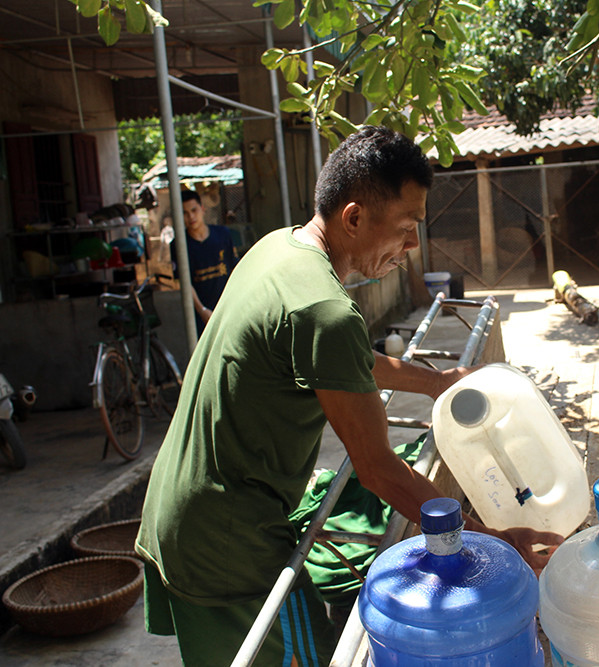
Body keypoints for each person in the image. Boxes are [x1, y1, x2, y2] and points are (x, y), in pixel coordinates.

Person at [136, 126, 563, 667]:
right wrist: (489, 544)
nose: (412, 246)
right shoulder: (326, 311)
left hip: (183, 511)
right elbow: (378, 470)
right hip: (229, 541)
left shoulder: (279, 248)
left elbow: (345, 365)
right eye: (406, 229)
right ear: (355, 217)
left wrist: (434, 381)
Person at [172, 189, 239, 334]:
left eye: (194, 210)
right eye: (184, 213)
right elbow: (184, 283)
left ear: (202, 209)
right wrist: (202, 310)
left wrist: (235, 302)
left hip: (229, 308)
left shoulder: (223, 235)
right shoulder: (178, 244)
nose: (191, 217)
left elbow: (235, 269)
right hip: (201, 315)